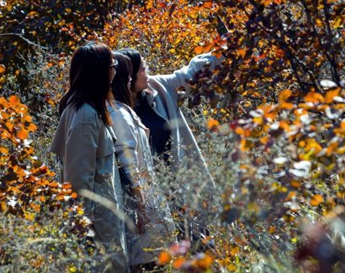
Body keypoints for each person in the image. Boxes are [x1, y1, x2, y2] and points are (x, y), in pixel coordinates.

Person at [116, 48, 220, 238]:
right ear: (127, 78)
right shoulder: (115, 111)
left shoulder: (159, 87)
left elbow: (189, 75)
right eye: (142, 69)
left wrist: (224, 51)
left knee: (197, 242)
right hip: (146, 196)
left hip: (177, 187)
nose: (147, 71)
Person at [50, 42, 128, 272]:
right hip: (96, 224)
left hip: (103, 218)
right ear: (100, 72)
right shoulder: (84, 115)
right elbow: (77, 179)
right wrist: (84, 228)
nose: (114, 69)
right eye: (111, 64)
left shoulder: (92, 109)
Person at [109, 52, 176, 270]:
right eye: (128, 74)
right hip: (141, 209)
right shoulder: (118, 114)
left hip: (147, 203)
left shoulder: (124, 110)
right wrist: (142, 209)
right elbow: (128, 164)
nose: (130, 79)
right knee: (149, 260)